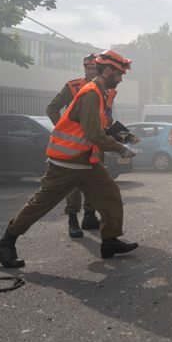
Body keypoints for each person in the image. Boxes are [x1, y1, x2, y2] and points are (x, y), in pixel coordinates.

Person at [0, 50, 139, 268]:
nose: (121, 78)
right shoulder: (90, 94)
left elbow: (101, 126)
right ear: (108, 71)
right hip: (66, 164)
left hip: (86, 162)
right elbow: (93, 134)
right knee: (40, 204)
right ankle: (5, 244)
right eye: (119, 74)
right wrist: (120, 148)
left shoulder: (100, 93)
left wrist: (126, 138)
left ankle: (109, 241)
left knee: (110, 194)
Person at [46, 53, 102, 238]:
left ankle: (89, 216)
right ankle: (73, 221)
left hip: (94, 143)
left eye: (95, 68)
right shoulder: (73, 86)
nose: (92, 71)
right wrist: (65, 130)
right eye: (89, 67)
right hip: (76, 144)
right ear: (84, 68)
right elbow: (52, 108)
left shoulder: (105, 89)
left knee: (94, 181)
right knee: (74, 184)